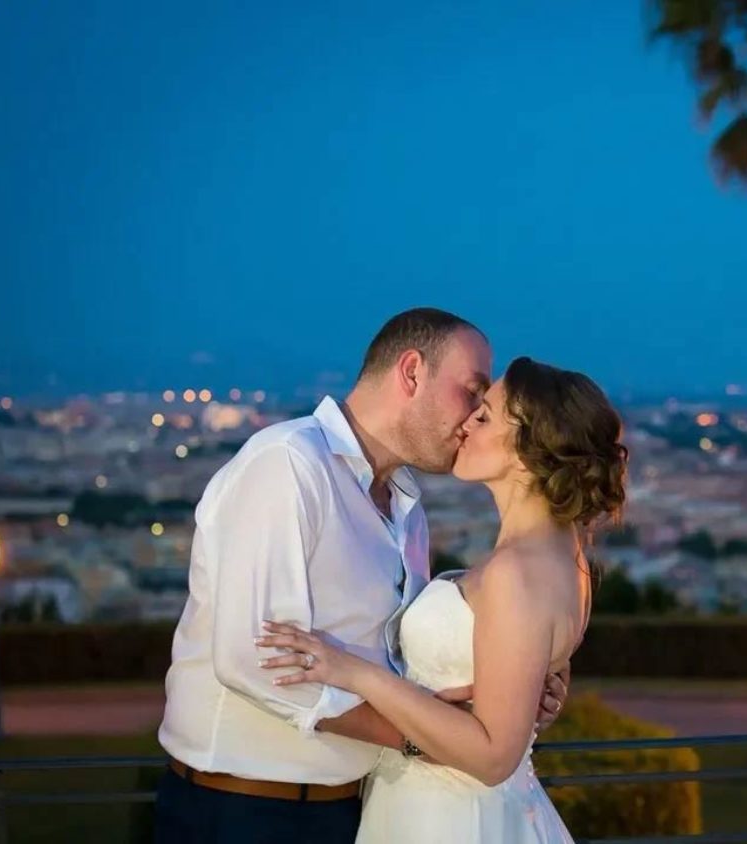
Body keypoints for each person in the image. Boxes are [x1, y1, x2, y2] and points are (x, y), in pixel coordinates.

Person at [155, 309, 569, 843]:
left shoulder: (407, 512)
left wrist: (511, 693)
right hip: (243, 809)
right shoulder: (288, 464)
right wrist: (416, 739)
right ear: (412, 372)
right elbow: (249, 661)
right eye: (471, 392)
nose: (471, 419)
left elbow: (397, 662)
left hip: (354, 810)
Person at [258, 355, 626, 843]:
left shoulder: (517, 570)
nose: (466, 422)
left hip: (450, 817)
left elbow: (494, 757)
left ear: (528, 448)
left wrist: (349, 670)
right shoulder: (567, 555)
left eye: (486, 414)